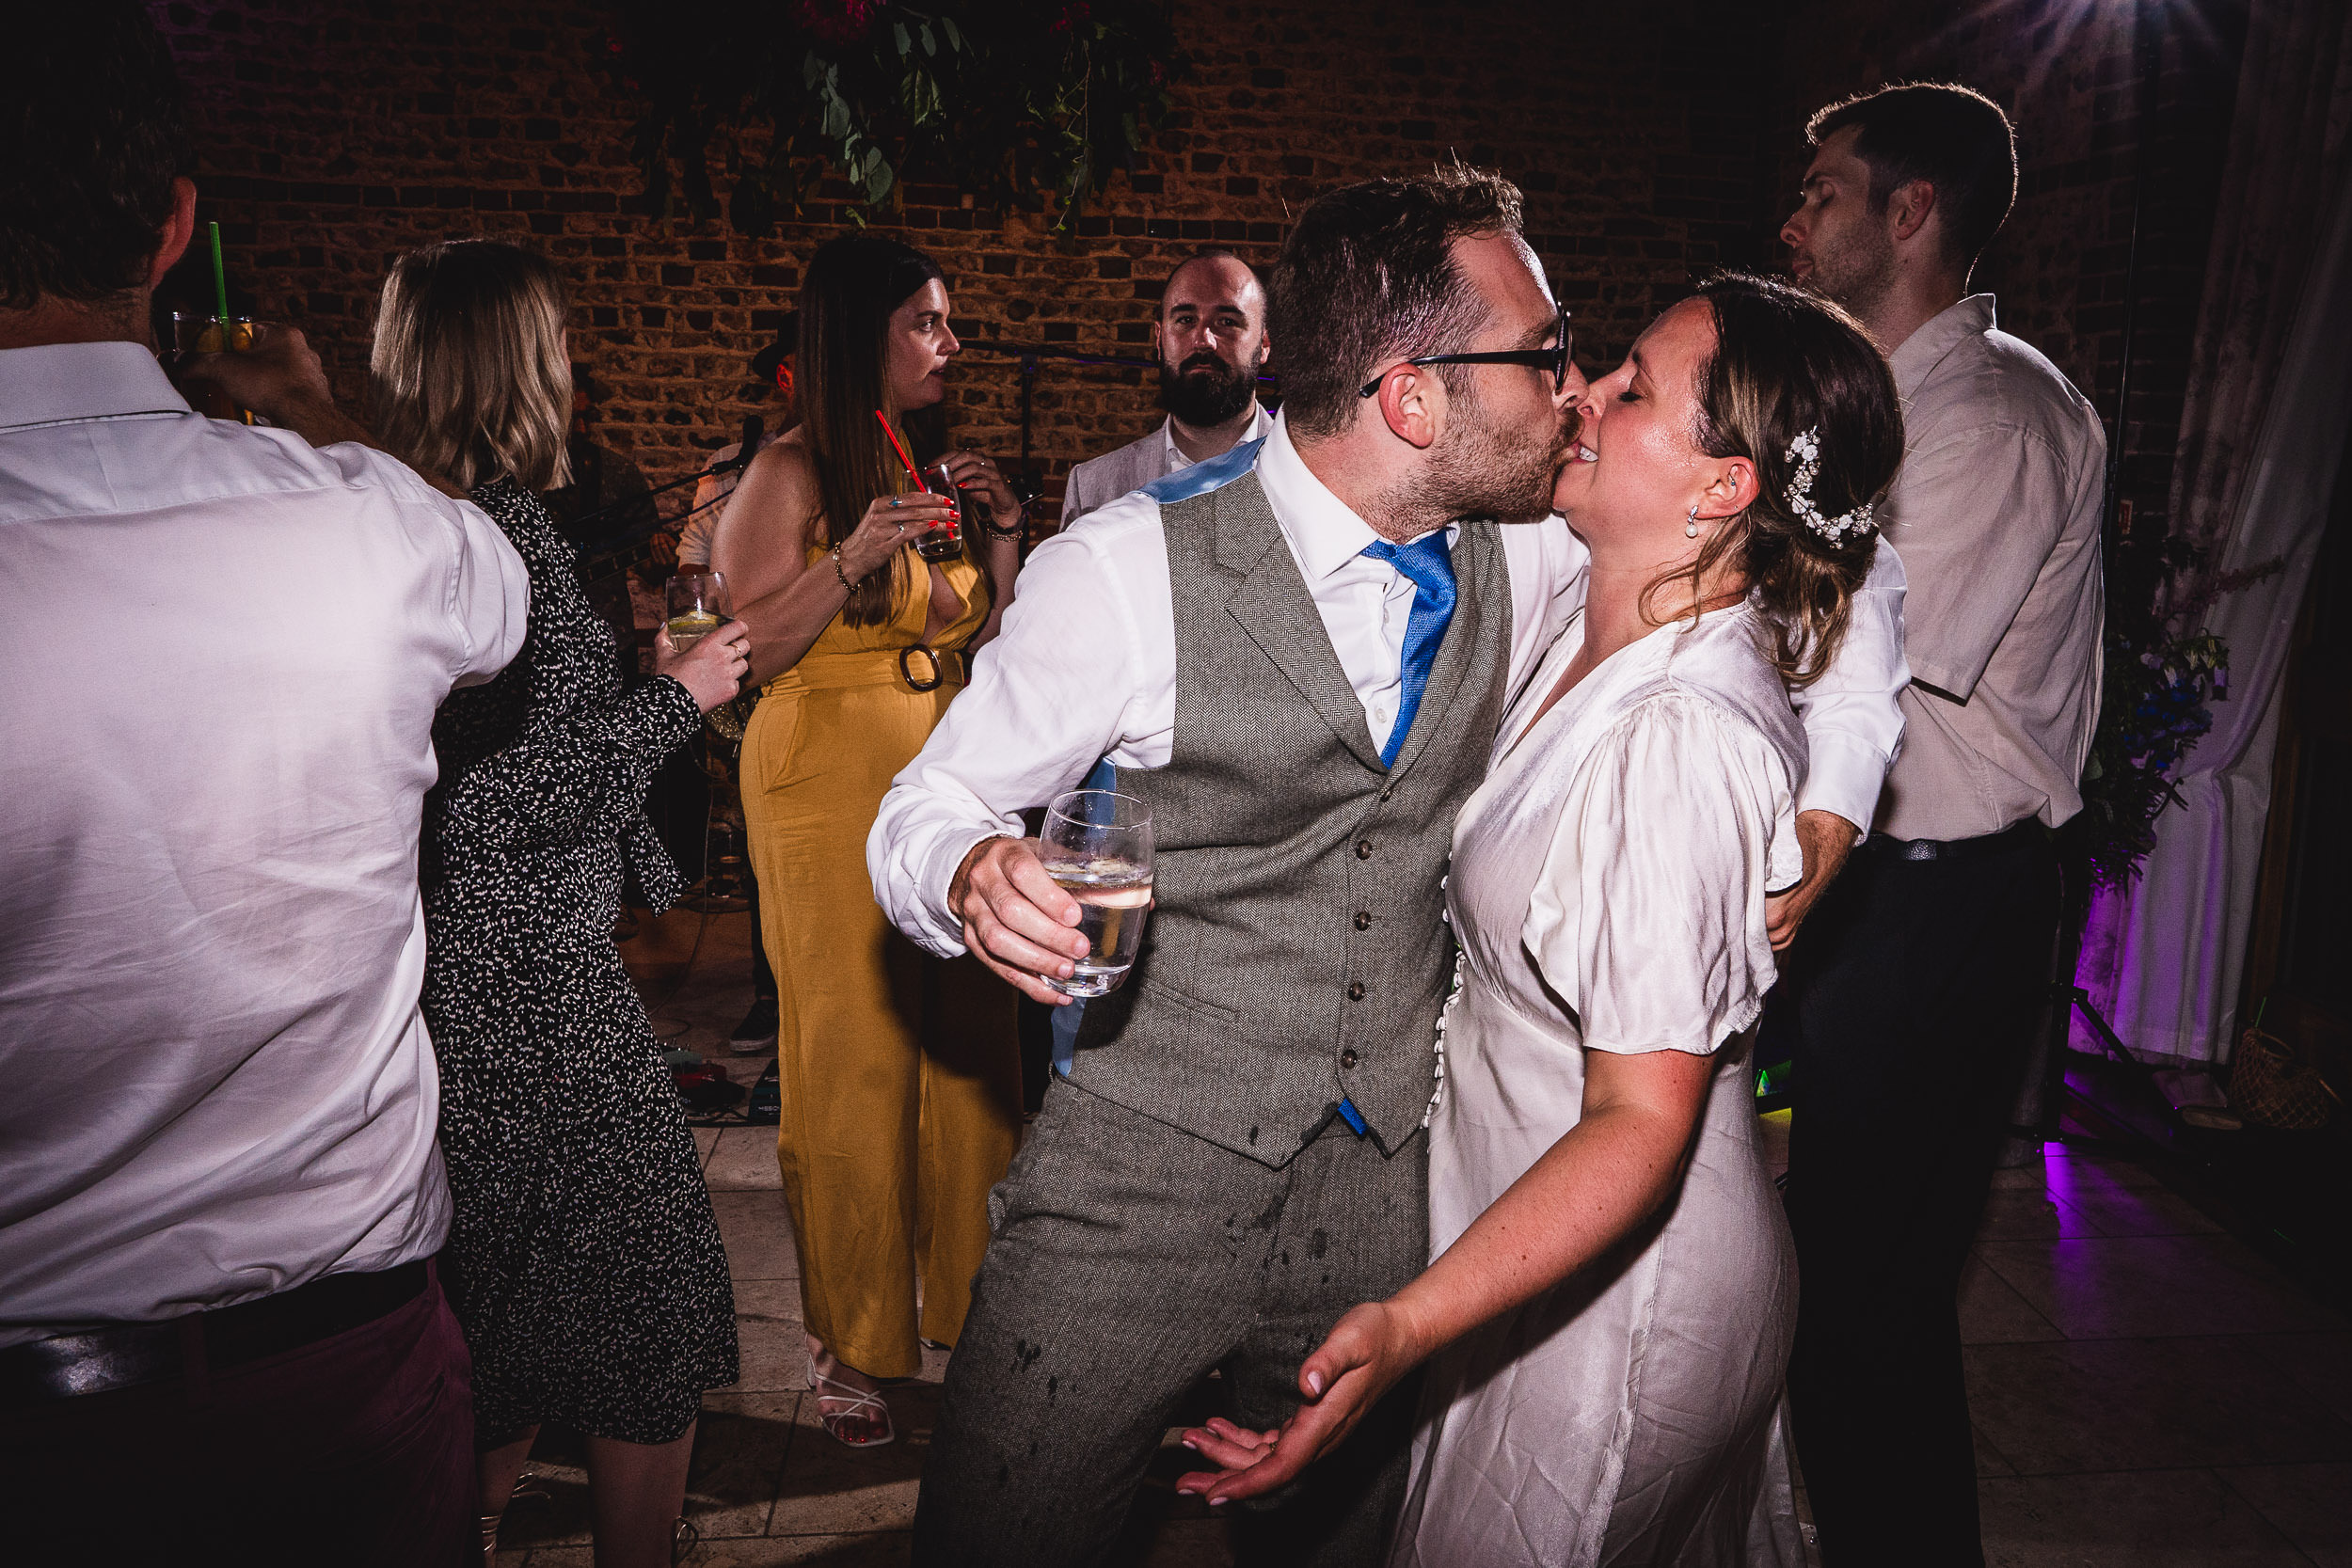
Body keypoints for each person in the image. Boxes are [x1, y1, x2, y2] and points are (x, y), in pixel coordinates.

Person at [867, 166, 1909, 1566]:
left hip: (1394, 1187)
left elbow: (1830, 564)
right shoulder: (1119, 572)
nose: (1577, 387)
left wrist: (1834, 797)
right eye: (1546, 356)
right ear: (1416, 398)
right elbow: (923, 800)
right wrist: (968, 864)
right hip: (1135, 1178)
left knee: (1343, 1537)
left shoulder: (1540, 550)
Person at [1175, 275, 1902, 1567]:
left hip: (1618, 1291)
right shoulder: (1588, 602)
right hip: (1525, 1240)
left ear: (1722, 489)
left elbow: (1640, 1119)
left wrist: (1404, 1322)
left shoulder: (1677, 739)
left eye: (1631, 388)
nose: (1582, 393)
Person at [0, 8, 527, 1564]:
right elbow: (498, 597)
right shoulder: (373, 533)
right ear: (174, 227)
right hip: (342, 1386)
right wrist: (316, 417)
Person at [358, 238, 751, 1566]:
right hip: (525, 977)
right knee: (647, 1292)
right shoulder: (491, 534)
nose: (574, 361)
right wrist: (676, 700)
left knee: (511, 1298)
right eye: (559, 338)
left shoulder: (411, 515)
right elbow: (485, 806)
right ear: (516, 357)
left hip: (480, 968)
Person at [1768, 83, 2106, 1565]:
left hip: (1942, 898)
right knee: (1831, 1276)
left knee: (1873, 1300)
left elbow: (1863, 658)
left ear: (1911, 215)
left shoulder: (1995, 414)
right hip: (1880, 885)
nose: (1797, 216)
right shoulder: (1882, 397)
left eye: (1827, 191)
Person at [712, 234, 1026, 1449]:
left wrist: (998, 532)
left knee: (969, 1042)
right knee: (851, 1056)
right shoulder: (789, 470)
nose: (950, 343)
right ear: (862, 334)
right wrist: (847, 558)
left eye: (949, 324)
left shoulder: (917, 463)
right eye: (928, 322)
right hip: (821, 777)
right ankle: (848, 1341)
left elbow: (965, 631)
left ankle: (968, 1307)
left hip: (938, 775)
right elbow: (742, 646)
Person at [1059, 245, 1273, 523]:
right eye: (1185, 320)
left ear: (1264, 343)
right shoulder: (1093, 490)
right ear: (1159, 338)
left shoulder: (1316, 478)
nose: (1204, 340)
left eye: (1227, 321)